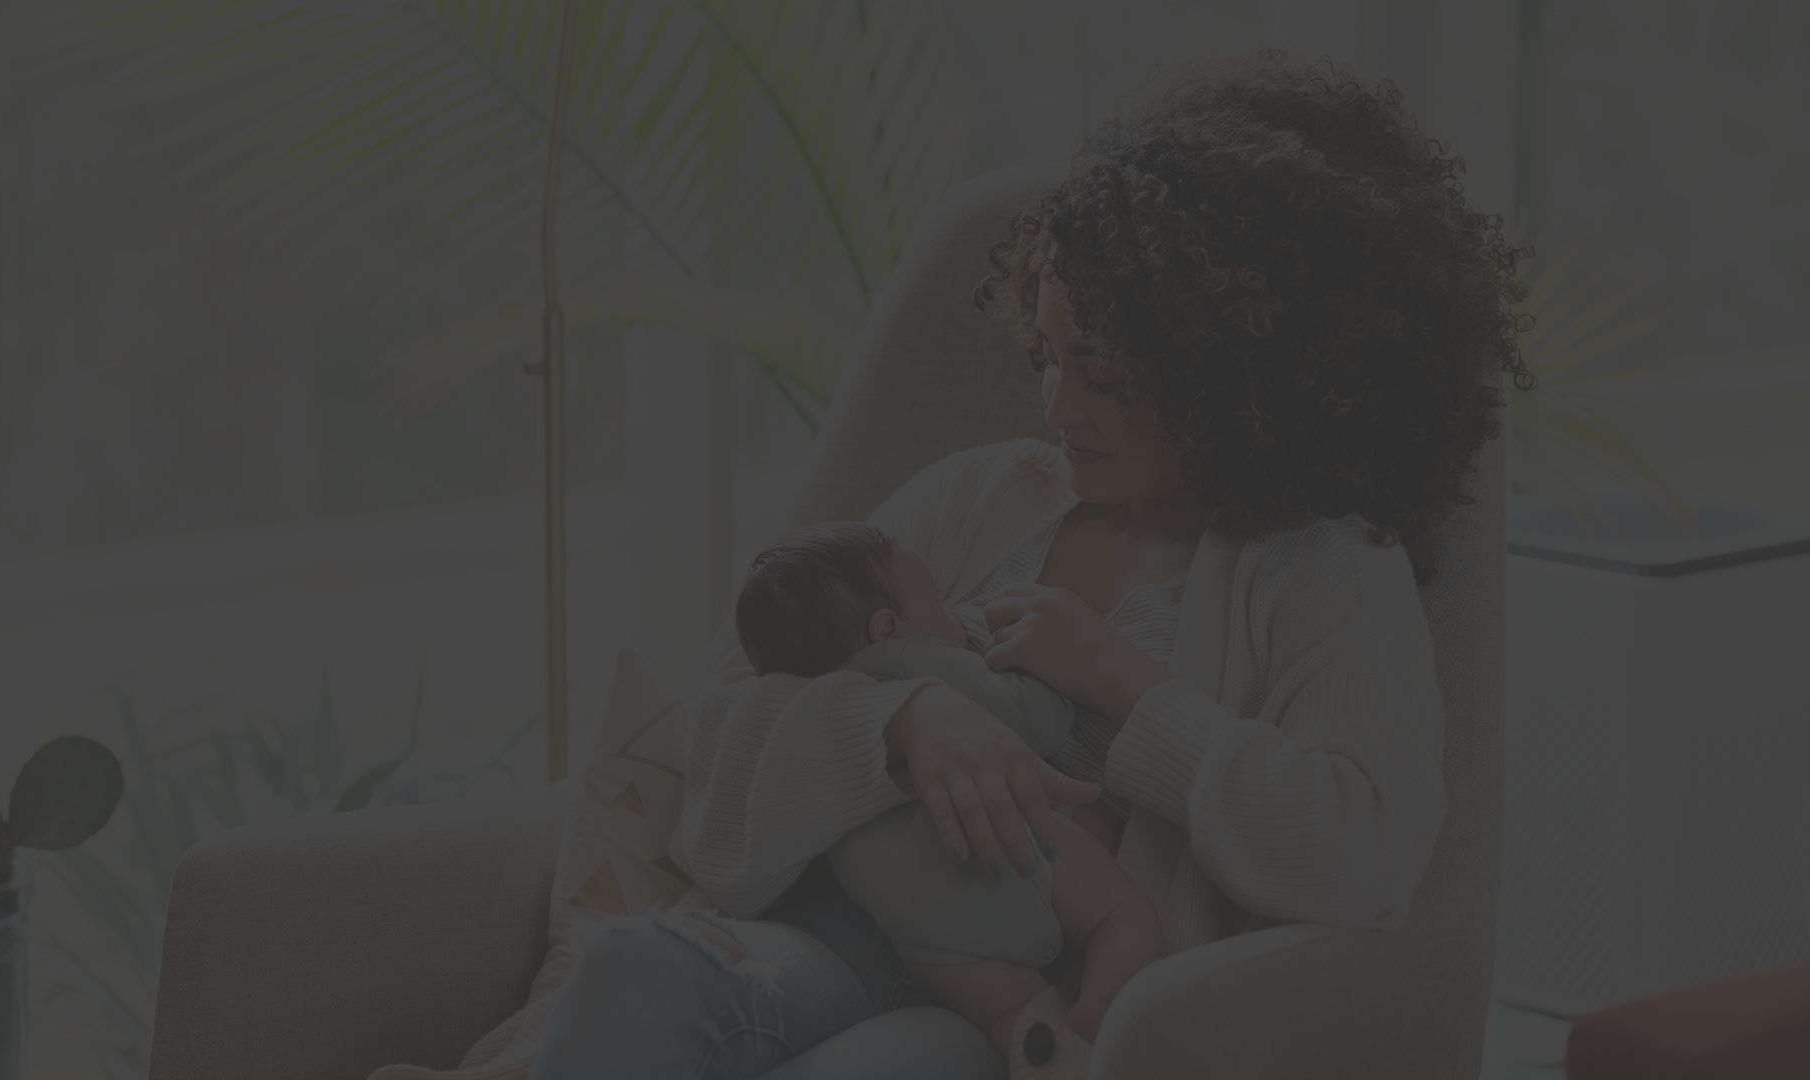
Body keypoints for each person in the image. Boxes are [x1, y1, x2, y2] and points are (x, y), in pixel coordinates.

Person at [527, 50, 1532, 1080]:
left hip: (1018, 1012)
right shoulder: (981, 496)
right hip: (827, 934)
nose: (1056, 408)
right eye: (1048, 355)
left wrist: (1124, 685)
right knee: (632, 970)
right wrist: (904, 725)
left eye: (1101, 375)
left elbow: (1362, 856)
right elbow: (721, 733)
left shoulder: (1324, 572)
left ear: (1236, 379)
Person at [730, 522, 1165, 1071]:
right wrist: (1033, 664)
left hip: (916, 927)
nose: (955, 616)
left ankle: (1046, 1053)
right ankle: (1101, 1011)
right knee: (1123, 917)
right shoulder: (919, 663)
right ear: (888, 625)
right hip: (1011, 857)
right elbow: (1038, 720)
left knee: (1006, 1009)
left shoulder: (819, 710)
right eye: (938, 601)